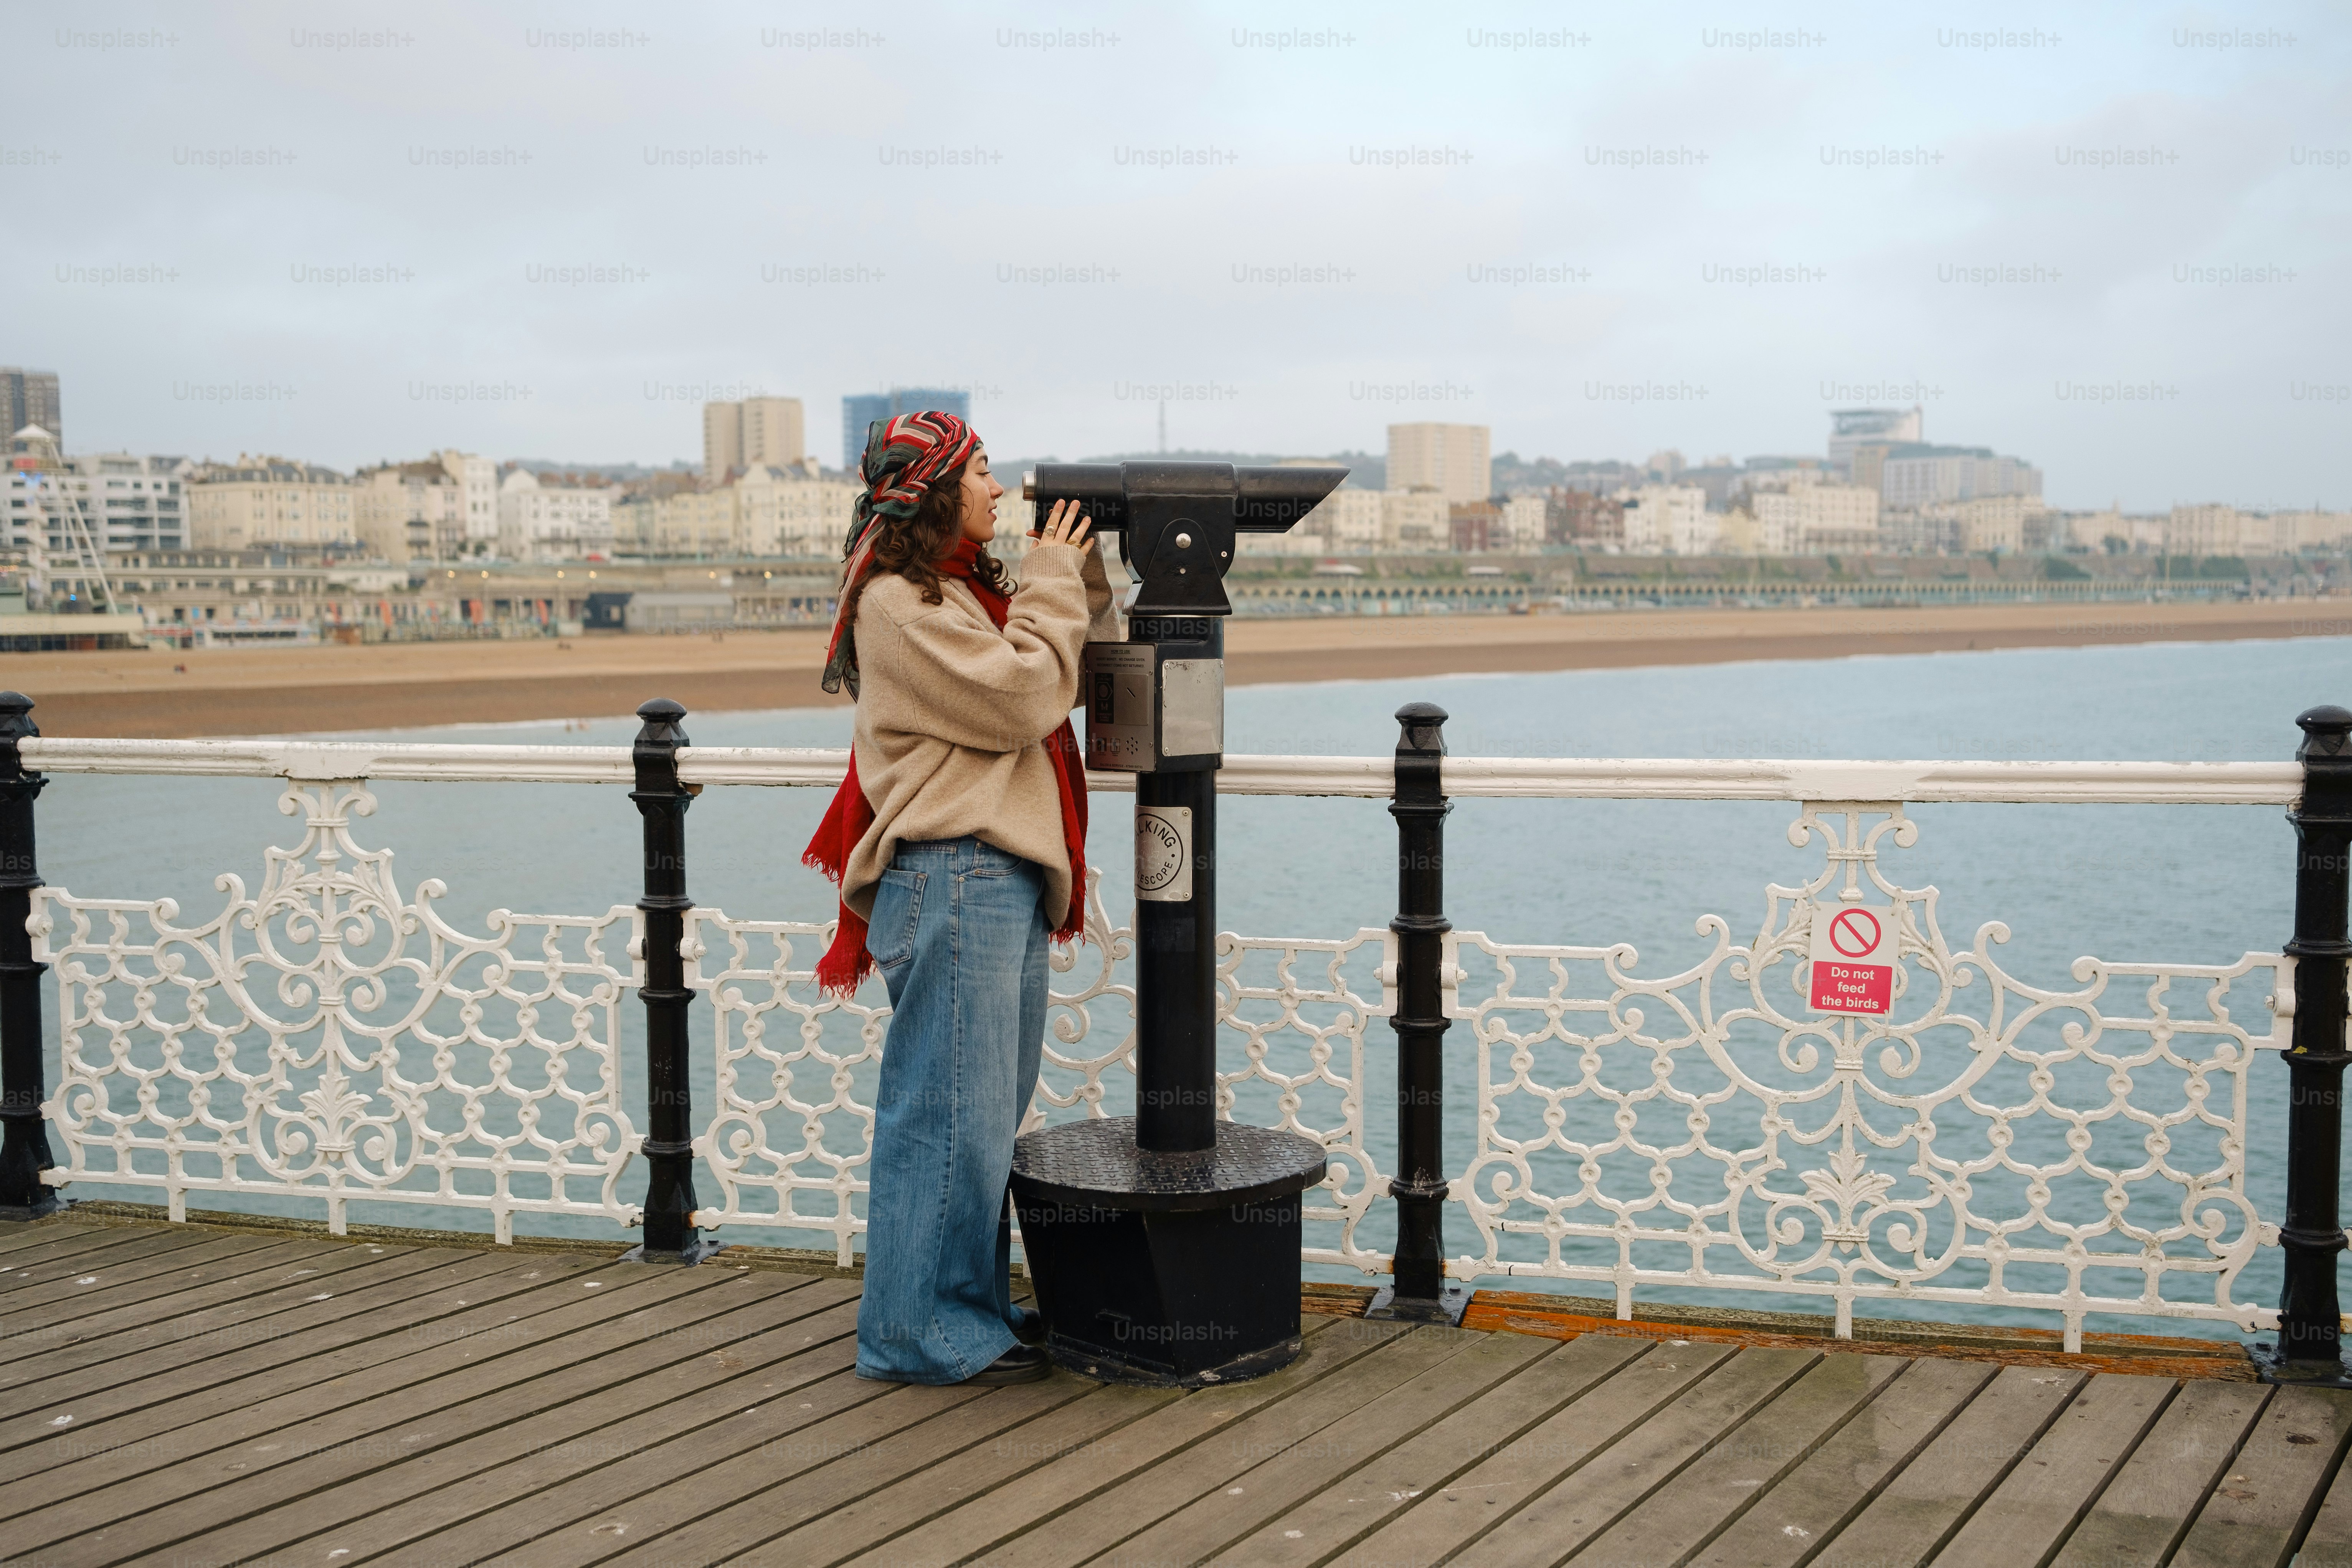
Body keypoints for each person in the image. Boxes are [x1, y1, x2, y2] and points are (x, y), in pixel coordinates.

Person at [803, 411, 1118, 1385]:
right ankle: (914, 1334)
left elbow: (1064, 652)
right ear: (936, 487)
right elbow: (1026, 695)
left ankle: (961, 1310)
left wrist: (1080, 565)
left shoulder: (965, 591)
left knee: (977, 1118)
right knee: (941, 1117)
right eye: (980, 471)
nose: (997, 488)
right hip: (953, 868)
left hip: (987, 872)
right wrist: (1053, 582)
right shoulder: (899, 602)